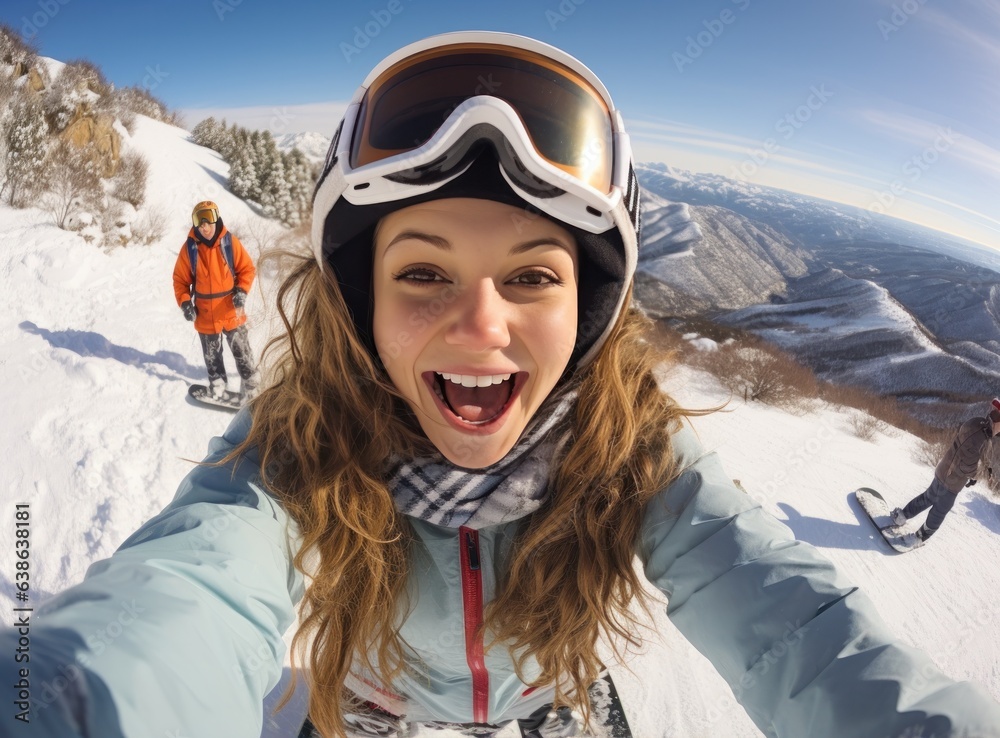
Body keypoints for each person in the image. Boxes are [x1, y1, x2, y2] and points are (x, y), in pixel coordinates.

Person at [5, 32, 1000, 738]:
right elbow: (185, 592)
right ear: (359, 300)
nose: (481, 326)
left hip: (538, 692)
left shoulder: (634, 454)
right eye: (423, 273)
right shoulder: (307, 441)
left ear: (592, 307)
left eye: (533, 276)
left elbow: (798, 627)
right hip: (376, 691)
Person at [172, 199, 259, 403]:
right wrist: (185, 303)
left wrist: (242, 291)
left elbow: (247, 269)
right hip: (205, 313)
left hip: (230, 309)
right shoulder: (190, 249)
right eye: (199, 223)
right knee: (212, 356)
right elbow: (180, 280)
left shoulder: (229, 242)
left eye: (208, 221)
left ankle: (253, 388)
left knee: (242, 351)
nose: (205, 227)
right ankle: (218, 388)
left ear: (216, 219)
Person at [890, 398, 1000, 544]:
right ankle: (919, 538)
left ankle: (901, 516)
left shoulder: (977, 423)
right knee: (939, 511)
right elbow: (967, 466)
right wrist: (978, 474)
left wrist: (983, 466)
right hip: (951, 482)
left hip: (943, 470)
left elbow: (972, 452)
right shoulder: (980, 439)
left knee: (927, 497)